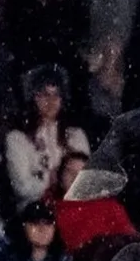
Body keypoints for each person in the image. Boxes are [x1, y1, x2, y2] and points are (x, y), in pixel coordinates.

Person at [5, 65, 92, 208]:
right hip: (37, 208)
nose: (51, 101)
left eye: (56, 95)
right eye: (44, 94)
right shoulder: (17, 139)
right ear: (33, 98)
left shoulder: (76, 135)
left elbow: (86, 179)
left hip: (73, 205)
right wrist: (53, 180)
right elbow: (22, 188)